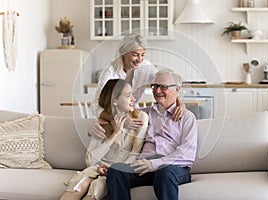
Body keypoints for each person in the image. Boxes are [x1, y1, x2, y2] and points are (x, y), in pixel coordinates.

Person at [106, 69, 198, 200]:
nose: (157, 91)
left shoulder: (187, 117)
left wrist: (155, 164)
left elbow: (187, 154)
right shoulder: (144, 114)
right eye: (155, 86)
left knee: (164, 171)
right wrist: (123, 118)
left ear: (177, 90)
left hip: (172, 168)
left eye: (163, 87)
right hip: (143, 165)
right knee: (116, 170)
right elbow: (114, 110)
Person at [60, 79, 148, 200]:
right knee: (82, 183)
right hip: (97, 168)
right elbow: (90, 160)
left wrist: (114, 171)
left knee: (97, 186)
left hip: (117, 172)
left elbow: (134, 154)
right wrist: (115, 134)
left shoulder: (141, 118)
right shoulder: (103, 122)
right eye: (128, 95)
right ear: (115, 101)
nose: (134, 99)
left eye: (132, 94)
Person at [93, 33, 184, 130]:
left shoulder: (146, 68)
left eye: (143, 55)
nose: (139, 59)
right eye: (135, 55)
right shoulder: (110, 72)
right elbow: (95, 106)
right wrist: (120, 119)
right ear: (123, 51)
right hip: (111, 120)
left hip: (132, 119)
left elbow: (164, 85)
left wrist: (180, 103)